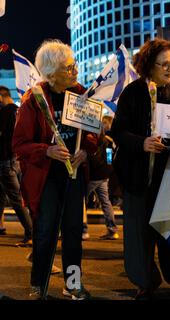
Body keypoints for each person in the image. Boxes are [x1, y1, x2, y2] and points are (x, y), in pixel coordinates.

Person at [13, 40, 97, 300]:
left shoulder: (82, 93)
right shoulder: (33, 100)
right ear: (50, 73)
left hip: (74, 175)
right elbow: (19, 144)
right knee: (45, 231)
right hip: (47, 177)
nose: (75, 71)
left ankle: (72, 283)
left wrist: (88, 149)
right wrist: (46, 150)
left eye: (74, 66)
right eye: (68, 68)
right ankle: (39, 284)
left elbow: (94, 134)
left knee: (74, 233)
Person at [111, 38, 170, 300]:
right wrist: (142, 142)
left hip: (168, 173)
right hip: (138, 174)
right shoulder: (133, 92)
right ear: (149, 65)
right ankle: (144, 280)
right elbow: (118, 132)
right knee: (139, 232)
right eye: (164, 64)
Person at [0, 86, 33, 246]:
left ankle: (31, 232)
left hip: (5, 161)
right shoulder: (19, 111)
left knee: (15, 199)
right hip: (14, 160)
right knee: (2, 196)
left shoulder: (6, 112)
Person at [82, 115, 119, 240]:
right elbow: (109, 160)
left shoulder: (91, 139)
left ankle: (83, 230)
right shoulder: (108, 140)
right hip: (104, 175)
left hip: (93, 176)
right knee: (105, 202)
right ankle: (112, 229)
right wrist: (107, 172)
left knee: (81, 201)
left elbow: (91, 158)